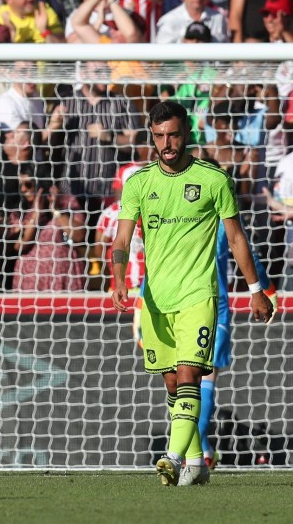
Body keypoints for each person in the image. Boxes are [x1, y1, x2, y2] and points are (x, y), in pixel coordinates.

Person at [111, 101, 273, 487]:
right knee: (171, 383)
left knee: (190, 377)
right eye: (160, 136)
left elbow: (236, 238)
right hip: (155, 300)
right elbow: (121, 238)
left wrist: (256, 290)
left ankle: (172, 457)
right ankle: (197, 461)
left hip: (200, 298)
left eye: (174, 135)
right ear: (152, 136)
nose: (167, 143)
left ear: (187, 134)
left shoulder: (213, 180)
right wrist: (118, 277)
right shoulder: (138, 183)